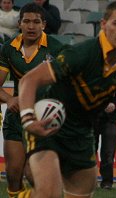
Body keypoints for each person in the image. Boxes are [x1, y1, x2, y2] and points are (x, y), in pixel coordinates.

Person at [17, 1, 116, 197]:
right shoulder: (82, 53)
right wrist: (28, 119)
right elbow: (29, 80)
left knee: (83, 192)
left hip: (82, 134)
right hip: (49, 126)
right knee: (50, 193)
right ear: (103, 24)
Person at [0, 3, 64, 198]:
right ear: (19, 24)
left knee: (33, 173)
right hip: (16, 118)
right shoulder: (9, 49)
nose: (31, 26)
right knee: (13, 174)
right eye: (26, 21)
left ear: (44, 24)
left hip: (43, 119)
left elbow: (69, 83)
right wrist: (9, 99)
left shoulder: (57, 48)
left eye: (36, 22)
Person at [93, 90, 116, 190]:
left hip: (110, 118)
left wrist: (115, 103)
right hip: (92, 116)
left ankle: (107, 182)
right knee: (89, 151)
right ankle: (89, 180)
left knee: (108, 152)